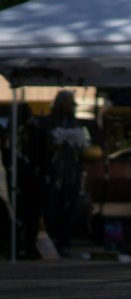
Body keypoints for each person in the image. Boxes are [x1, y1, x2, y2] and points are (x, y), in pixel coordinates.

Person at [38, 91, 89, 257]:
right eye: (67, 103)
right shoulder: (50, 122)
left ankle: (64, 241)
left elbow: (85, 146)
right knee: (52, 208)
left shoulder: (76, 123)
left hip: (72, 173)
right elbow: (45, 146)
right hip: (54, 172)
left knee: (69, 208)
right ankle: (53, 240)